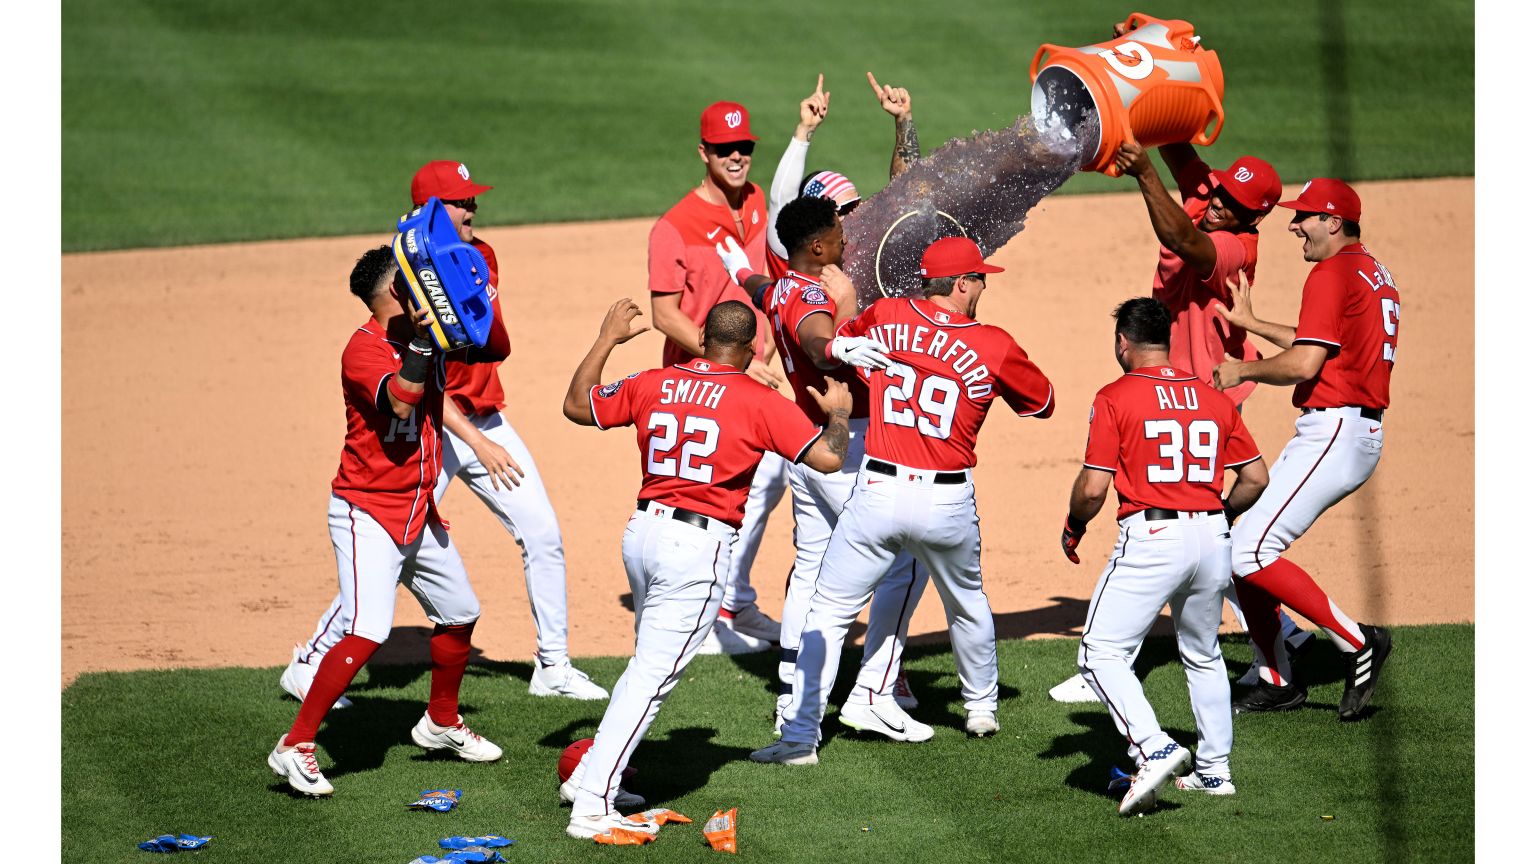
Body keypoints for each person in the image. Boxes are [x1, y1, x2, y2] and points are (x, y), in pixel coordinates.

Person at [281, 161, 608, 706]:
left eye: (472, 200)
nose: (473, 209)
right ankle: (310, 663)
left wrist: (483, 423)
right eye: (460, 203)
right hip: (436, 425)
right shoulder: (404, 280)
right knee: (390, 547)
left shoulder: (482, 256)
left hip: (486, 416)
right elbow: (425, 382)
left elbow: (493, 343)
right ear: (430, 212)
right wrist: (475, 438)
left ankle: (553, 665)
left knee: (543, 534)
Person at [558, 298, 858, 838]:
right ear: (749, 351)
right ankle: (592, 804)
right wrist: (837, 412)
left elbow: (577, 406)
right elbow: (829, 459)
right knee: (652, 677)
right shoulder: (758, 400)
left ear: (702, 335)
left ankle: (594, 776)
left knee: (644, 666)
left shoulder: (655, 381)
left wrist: (606, 338)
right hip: (694, 548)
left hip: (642, 536)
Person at [750, 237, 1055, 766]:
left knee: (829, 609)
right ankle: (980, 706)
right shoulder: (994, 343)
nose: (983, 285)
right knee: (967, 602)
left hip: (877, 490)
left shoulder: (886, 315)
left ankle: (800, 736)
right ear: (961, 283)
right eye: (980, 277)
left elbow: (839, 343)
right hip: (947, 500)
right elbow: (1043, 404)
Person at [1049, 137, 1310, 703]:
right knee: (1203, 531)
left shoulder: (1237, 249)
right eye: (1219, 188)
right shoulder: (1212, 193)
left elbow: (1179, 237)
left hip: (1202, 399)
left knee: (1167, 524)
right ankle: (1283, 633)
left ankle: (1106, 664)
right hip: (1173, 391)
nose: (1217, 200)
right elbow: (1176, 144)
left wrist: (1143, 172)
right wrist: (1150, 60)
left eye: (1232, 201)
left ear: (1254, 216)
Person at [267, 246, 508, 797]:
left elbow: (491, 347)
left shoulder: (419, 340)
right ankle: (295, 745)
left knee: (460, 612)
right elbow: (401, 403)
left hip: (418, 510)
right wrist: (424, 342)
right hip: (367, 511)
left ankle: (440, 723)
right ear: (395, 294)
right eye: (413, 283)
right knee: (368, 629)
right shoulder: (364, 351)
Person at [721, 195, 928, 740]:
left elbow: (763, 291)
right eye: (838, 233)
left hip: (808, 447)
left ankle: (793, 691)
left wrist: (740, 272)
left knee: (811, 566)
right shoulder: (816, 293)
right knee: (906, 560)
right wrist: (845, 323)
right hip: (847, 446)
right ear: (816, 246)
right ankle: (873, 692)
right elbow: (816, 344)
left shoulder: (784, 284)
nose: (845, 239)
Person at [1059, 297, 1269, 815]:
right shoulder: (1211, 397)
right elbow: (1256, 477)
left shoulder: (1115, 396)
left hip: (1153, 539)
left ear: (1123, 344)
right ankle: (1215, 771)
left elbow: (1092, 488)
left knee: (1099, 653)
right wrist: (1218, 513)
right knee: (1202, 652)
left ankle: (1152, 746)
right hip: (1212, 538)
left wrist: (1074, 525)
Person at [1212, 178, 1399, 721]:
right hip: (1346, 430)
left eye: (1305, 217)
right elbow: (1320, 342)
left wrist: (1241, 368)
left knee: (1247, 551)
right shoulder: (1370, 272)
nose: (1294, 225)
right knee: (1239, 550)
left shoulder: (1331, 272)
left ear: (1334, 222)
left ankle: (1357, 641)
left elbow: (1305, 364)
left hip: (1337, 431)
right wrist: (1251, 324)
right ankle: (1275, 677)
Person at [648, 100, 791, 655]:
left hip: (751, 374)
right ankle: (702, 619)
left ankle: (732, 602)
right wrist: (737, 361)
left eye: (746, 147)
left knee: (765, 483)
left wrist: (768, 353)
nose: (737, 157)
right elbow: (665, 315)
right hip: (700, 382)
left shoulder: (756, 202)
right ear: (703, 153)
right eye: (725, 149)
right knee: (708, 499)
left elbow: (772, 273)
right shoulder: (673, 226)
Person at [763, 72, 922, 278]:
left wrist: (903, 119)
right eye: (847, 208)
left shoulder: (870, 249)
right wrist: (805, 129)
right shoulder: (791, 260)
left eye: (857, 203)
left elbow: (908, 196)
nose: (857, 212)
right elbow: (780, 198)